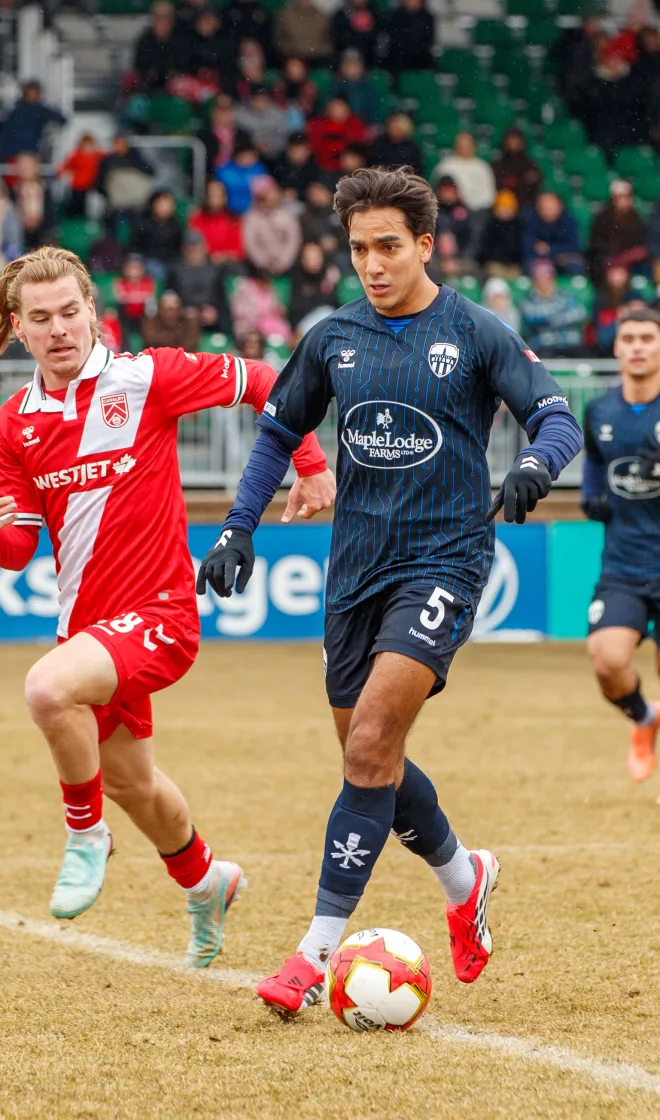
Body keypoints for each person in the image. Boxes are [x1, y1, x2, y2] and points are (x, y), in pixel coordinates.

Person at [196, 165, 583, 1015]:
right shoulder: (334, 337)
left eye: (388, 248)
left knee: (371, 742)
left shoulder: (476, 332)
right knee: (369, 757)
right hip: (355, 571)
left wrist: (531, 466)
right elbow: (278, 431)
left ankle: (311, 954)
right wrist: (238, 526)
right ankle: (464, 875)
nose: (372, 264)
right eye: (359, 248)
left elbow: (558, 418)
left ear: (426, 245)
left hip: (444, 562)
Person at [0, 246, 334, 966]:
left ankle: (83, 834)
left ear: (93, 312)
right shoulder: (14, 426)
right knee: (136, 786)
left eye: (70, 312)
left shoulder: (145, 378)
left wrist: (311, 464)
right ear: (20, 327)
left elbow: (267, 380)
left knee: (45, 688)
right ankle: (207, 883)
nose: (60, 328)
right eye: (41, 319)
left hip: (161, 615)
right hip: (88, 631)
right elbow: (18, 547)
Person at [582, 307, 660, 786]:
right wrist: (592, 497)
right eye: (628, 338)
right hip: (624, 564)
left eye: (647, 339)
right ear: (616, 348)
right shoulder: (601, 410)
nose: (637, 347)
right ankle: (644, 718)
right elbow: (594, 458)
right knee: (607, 660)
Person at [519, 259, 587, 358]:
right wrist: (559, 316)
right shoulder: (528, 299)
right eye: (540, 278)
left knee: (585, 358)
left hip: (571, 344)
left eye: (548, 278)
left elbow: (580, 313)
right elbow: (531, 318)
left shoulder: (565, 295)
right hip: (543, 346)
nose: (544, 282)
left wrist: (556, 318)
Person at [588, 179, 649, 286]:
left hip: (631, 264)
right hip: (607, 262)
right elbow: (596, 243)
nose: (623, 201)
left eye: (626, 197)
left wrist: (625, 259)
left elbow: (641, 245)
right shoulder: (602, 218)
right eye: (620, 197)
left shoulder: (636, 218)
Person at [168, 230, 228, 332]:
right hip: (184, 316)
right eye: (190, 248)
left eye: (197, 247)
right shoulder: (175, 270)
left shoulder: (215, 270)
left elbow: (221, 298)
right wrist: (182, 311)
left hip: (211, 317)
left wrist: (214, 310)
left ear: (204, 248)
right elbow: (170, 295)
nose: (194, 251)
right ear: (184, 249)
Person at [242, 176, 303, 275]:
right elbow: (250, 243)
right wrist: (263, 262)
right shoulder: (251, 218)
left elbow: (293, 240)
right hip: (258, 269)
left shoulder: (287, 215)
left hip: (286, 266)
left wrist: (283, 261)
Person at [0, 81, 66, 163]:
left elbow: (61, 119)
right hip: (17, 153)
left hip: (29, 153)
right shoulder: (17, 111)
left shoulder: (38, 110)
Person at [521, 191, 584, 277]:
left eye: (550, 207)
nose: (546, 211)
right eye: (543, 208)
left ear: (560, 206)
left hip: (563, 257)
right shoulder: (532, 219)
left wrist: (550, 249)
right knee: (529, 265)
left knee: (575, 264)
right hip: (539, 258)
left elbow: (574, 245)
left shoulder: (569, 219)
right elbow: (528, 245)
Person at [589, 264, 645, 357]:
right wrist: (618, 319)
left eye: (620, 273)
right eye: (614, 273)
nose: (617, 278)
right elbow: (602, 339)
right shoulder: (601, 299)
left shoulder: (634, 295)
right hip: (607, 349)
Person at [133, 1, 190, 91]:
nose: (162, 22)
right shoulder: (145, 40)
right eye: (158, 18)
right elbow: (141, 67)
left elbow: (183, 66)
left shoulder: (182, 39)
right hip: (150, 89)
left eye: (166, 17)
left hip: (176, 89)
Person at [129, 189, 184, 282]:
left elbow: (179, 248)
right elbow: (135, 247)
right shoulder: (143, 223)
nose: (166, 207)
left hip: (171, 261)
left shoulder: (176, 225)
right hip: (149, 261)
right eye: (162, 204)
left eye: (169, 204)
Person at [189, 179, 246, 264]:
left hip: (229, 263)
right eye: (211, 194)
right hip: (205, 263)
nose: (214, 198)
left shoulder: (234, 220)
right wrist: (212, 255)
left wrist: (224, 256)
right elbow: (194, 247)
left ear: (225, 197)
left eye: (218, 195)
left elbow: (238, 250)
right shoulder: (197, 218)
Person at [230, 265, 293, 343]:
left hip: (271, 321)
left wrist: (279, 311)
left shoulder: (271, 289)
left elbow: (276, 306)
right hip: (249, 324)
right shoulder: (244, 289)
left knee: (283, 328)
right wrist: (259, 316)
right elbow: (238, 311)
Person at [307, 98, 369, 174]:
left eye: (341, 109)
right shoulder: (317, 126)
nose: (337, 113)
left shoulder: (356, 126)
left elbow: (358, 150)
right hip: (323, 171)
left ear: (348, 110)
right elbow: (313, 148)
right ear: (328, 110)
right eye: (334, 109)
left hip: (350, 171)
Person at [11, 153, 56, 251]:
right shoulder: (13, 191)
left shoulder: (45, 189)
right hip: (20, 232)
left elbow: (51, 215)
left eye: (28, 165)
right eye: (22, 166)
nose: (25, 169)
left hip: (42, 232)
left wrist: (36, 220)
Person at [490, 128, 542, 211]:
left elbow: (535, 188)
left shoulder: (530, 165)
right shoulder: (496, 165)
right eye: (511, 139)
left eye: (516, 139)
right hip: (501, 206)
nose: (513, 142)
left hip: (523, 206)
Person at [234, 86, 291, 159]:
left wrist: (271, 145)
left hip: (274, 155)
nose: (260, 103)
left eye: (263, 100)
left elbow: (284, 137)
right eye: (257, 99)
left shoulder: (277, 114)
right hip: (247, 154)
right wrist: (254, 145)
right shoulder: (240, 114)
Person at [215, 139, 269, 215]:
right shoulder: (224, 171)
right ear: (238, 156)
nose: (249, 159)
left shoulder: (259, 169)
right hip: (227, 213)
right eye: (246, 156)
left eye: (252, 155)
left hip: (254, 213)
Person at [56, 133, 105, 218]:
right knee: (76, 204)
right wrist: (60, 173)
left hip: (92, 185)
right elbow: (66, 165)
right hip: (78, 185)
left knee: (90, 205)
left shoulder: (98, 156)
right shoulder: (77, 156)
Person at [382, 0, 435, 73]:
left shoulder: (427, 17)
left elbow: (427, 39)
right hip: (399, 55)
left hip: (420, 56)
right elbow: (394, 37)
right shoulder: (396, 16)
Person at [478, 190, 522, 278]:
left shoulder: (519, 225)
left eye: (508, 208)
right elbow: (485, 250)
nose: (504, 211)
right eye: (501, 208)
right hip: (495, 264)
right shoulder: (490, 225)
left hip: (513, 265)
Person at [273, 0, 333, 64]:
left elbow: (328, 40)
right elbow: (278, 40)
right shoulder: (285, 15)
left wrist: (318, 50)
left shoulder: (322, 16)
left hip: (318, 59)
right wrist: (293, 52)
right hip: (292, 59)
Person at [270, 133, 321, 201]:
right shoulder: (278, 165)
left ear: (308, 150)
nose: (298, 154)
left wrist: (298, 194)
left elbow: (315, 188)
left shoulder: (315, 166)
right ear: (288, 151)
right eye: (295, 151)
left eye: (301, 150)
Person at [332, 0, 383, 68]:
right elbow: (339, 40)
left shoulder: (376, 14)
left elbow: (380, 38)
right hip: (347, 56)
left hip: (371, 58)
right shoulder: (341, 15)